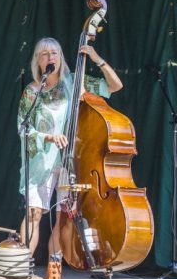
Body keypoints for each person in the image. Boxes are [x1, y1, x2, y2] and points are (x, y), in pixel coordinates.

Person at [17, 37, 122, 257]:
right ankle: (20, 268)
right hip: (41, 162)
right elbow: (23, 129)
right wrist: (49, 137)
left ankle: (54, 276)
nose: (50, 58)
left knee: (64, 217)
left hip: (71, 160)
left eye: (54, 53)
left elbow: (114, 86)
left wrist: (96, 58)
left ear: (61, 58)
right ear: (37, 61)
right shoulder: (31, 91)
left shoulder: (74, 82)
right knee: (34, 212)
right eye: (44, 54)